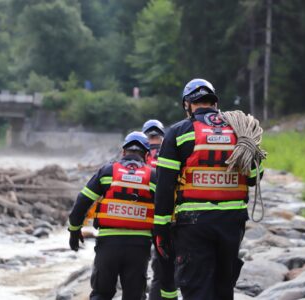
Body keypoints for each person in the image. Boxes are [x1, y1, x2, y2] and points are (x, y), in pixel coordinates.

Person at [153, 78, 264, 300]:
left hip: (193, 223)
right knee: (223, 287)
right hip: (232, 222)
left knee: (196, 288)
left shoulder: (178, 132)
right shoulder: (241, 130)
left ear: (187, 104)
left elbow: (165, 184)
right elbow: (253, 178)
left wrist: (161, 227)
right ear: (215, 102)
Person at [68, 131, 156, 300]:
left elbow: (82, 202)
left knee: (101, 293)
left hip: (108, 244)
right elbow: (165, 209)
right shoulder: (153, 176)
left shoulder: (107, 171)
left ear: (123, 152)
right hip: (140, 246)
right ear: (146, 155)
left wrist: (74, 231)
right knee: (134, 296)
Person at [142, 120, 178, 300]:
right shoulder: (170, 149)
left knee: (138, 267)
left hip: (141, 218)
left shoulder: (140, 152)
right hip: (166, 217)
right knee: (163, 266)